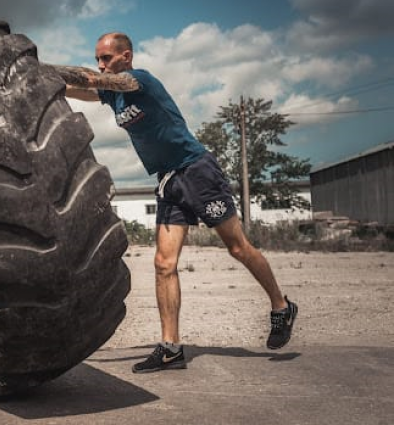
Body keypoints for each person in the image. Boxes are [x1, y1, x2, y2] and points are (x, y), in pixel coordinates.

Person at [49, 32, 298, 374]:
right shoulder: (112, 94)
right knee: (164, 264)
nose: (100, 64)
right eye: (98, 58)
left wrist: (49, 67)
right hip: (168, 179)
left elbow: (90, 79)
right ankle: (171, 348)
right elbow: (80, 89)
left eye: (106, 58)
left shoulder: (138, 80)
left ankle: (281, 306)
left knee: (238, 248)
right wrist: (44, 82)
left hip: (197, 171)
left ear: (126, 56)